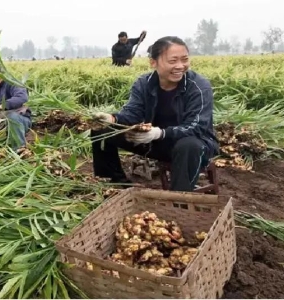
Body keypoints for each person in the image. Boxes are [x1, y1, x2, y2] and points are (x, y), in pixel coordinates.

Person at [92, 36, 219, 192]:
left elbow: (197, 127)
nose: (180, 66)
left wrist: (160, 133)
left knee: (189, 145)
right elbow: (133, 113)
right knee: (103, 130)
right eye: (173, 61)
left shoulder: (199, 86)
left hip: (193, 147)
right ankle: (114, 184)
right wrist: (112, 118)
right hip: (153, 141)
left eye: (184, 60)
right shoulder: (144, 83)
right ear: (153, 63)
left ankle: (179, 201)